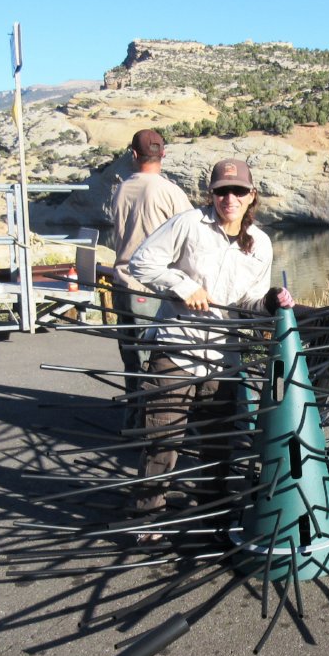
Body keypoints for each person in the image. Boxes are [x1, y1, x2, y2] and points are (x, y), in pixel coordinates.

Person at [127, 158, 293, 528]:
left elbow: (248, 302)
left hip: (223, 356)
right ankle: (148, 519)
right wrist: (183, 286)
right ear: (211, 194)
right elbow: (142, 263)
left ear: (252, 195)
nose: (229, 198)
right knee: (162, 437)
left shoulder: (261, 244)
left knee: (219, 443)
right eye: (221, 191)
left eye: (237, 191)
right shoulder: (188, 223)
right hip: (175, 348)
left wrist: (270, 301)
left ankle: (212, 513)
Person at [110, 129, 192, 396]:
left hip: (122, 283)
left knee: (131, 357)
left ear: (134, 154)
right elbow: (193, 236)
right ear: (163, 154)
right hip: (152, 288)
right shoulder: (170, 192)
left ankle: (133, 414)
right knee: (154, 358)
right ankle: (150, 420)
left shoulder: (122, 189)